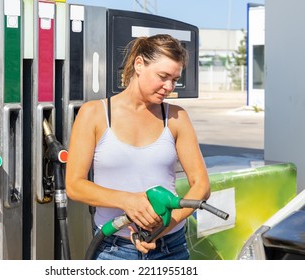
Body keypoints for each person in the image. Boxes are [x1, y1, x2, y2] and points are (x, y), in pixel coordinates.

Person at [65, 34, 210, 260]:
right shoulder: (94, 114)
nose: (169, 87)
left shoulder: (176, 117)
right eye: (163, 76)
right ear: (139, 64)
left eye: (175, 79)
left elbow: (201, 185)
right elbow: (75, 186)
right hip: (113, 249)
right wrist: (128, 201)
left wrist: (162, 225)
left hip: (171, 247)